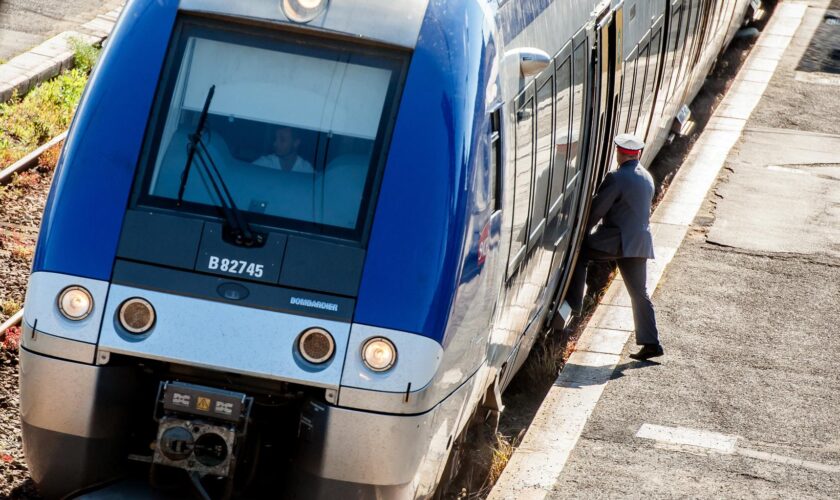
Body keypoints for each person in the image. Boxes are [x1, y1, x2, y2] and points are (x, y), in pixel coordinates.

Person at [567, 133, 663, 360]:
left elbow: (597, 209)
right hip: (639, 243)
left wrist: (580, 233)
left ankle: (573, 306)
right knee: (639, 293)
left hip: (617, 242)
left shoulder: (616, 178)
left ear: (619, 153)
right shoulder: (646, 176)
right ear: (637, 154)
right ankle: (652, 343)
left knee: (581, 253)